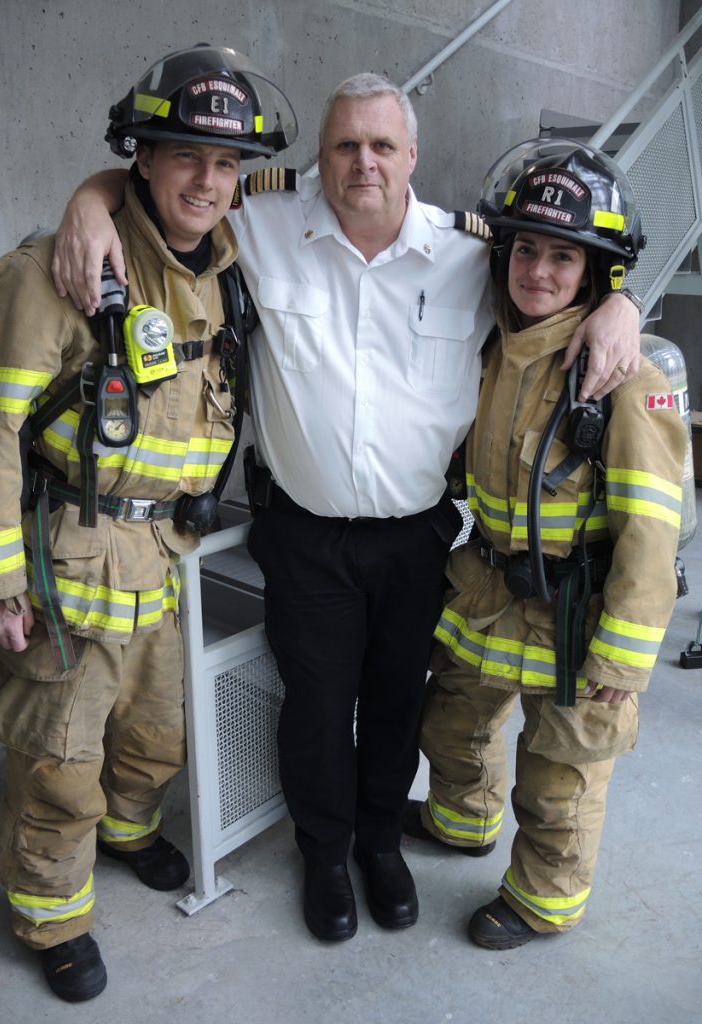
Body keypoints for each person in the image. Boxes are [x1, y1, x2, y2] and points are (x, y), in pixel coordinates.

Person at [51, 74, 643, 944]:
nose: (361, 161)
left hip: (420, 537)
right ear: (318, 157)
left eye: (380, 145)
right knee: (318, 706)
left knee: (399, 699)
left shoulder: (474, 252)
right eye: (343, 145)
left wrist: (624, 301)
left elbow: (568, 264)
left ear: (413, 157)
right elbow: (158, 185)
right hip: (306, 533)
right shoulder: (257, 223)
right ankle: (325, 853)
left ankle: (378, 844)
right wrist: (86, 201)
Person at [0, 46, 296, 1001]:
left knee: (155, 738)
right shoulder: (49, 274)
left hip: (165, 559)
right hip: (69, 566)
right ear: (140, 155)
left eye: (226, 164)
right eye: (185, 154)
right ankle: (51, 916)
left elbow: (358, 187)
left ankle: (131, 830)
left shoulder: (226, 269)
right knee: (60, 757)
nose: (208, 180)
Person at [404, 138, 686, 949]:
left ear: (596, 273)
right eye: (526, 248)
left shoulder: (625, 379)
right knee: (451, 723)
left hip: (577, 614)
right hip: (488, 586)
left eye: (565, 257)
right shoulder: (494, 341)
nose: (538, 271)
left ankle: (541, 903)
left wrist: (622, 665)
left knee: (559, 778)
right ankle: (462, 822)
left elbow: (649, 536)